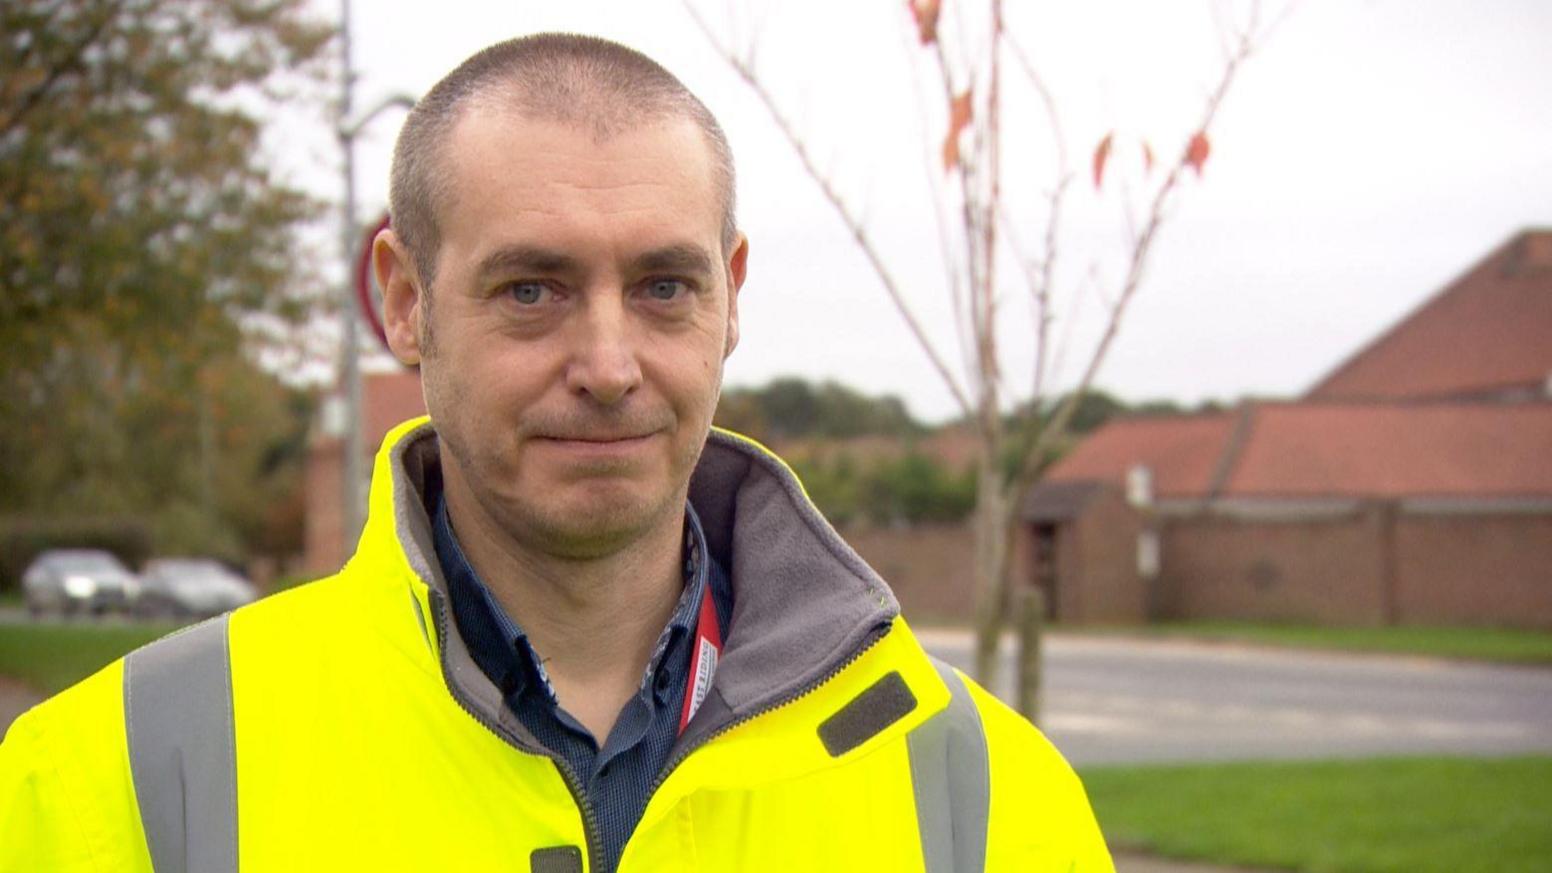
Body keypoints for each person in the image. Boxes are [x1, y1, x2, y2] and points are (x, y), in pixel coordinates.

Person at [0, 34, 1113, 873]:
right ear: (404, 301)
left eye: (663, 287)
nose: (609, 362)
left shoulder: (979, 791)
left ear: (731, 299)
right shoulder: (123, 776)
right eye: (531, 290)